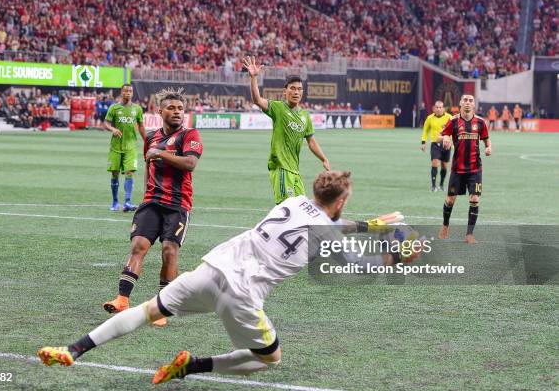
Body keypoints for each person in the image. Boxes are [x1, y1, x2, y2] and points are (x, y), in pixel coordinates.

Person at [37, 171, 418, 384]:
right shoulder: (330, 231)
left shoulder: (292, 201)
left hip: (212, 269)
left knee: (147, 311)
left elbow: (323, 222)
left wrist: (366, 225)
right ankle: (194, 365)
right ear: (340, 202)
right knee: (270, 358)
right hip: (243, 297)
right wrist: (394, 259)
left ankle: (73, 349)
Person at [102, 88, 203, 329]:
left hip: (178, 205)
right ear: (160, 111)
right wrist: (149, 189)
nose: (177, 112)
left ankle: (161, 309)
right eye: (171, 108)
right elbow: (150, 164)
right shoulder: (151, 136)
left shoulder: (190, 135)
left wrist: (161, 154)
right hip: (152, 202)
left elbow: (190, 164)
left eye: (180, 108)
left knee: (169, 250)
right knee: (138, 246)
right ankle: (122, 299)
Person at [242, 56, 330, 204]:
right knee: (286, 209)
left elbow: (311, 142)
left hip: (295, 171)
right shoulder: (278, 108)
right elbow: (257, 100)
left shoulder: (305, 116)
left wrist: (324, 159)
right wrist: (254, 78)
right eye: (293, 88)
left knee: (301, 209)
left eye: (299, 89)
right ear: (285, 91)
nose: (296, 92)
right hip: (281, 168)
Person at [438, 94, 492, 244]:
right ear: (460, 103)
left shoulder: (480, 122)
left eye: (471, 101)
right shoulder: (453, 121)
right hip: (457, 169)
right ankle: (445, 225)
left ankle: (469, 234)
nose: (468, 103)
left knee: (474, 199)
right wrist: (446, 137)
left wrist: (489, 148)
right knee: (450, 200)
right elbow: (438, 137)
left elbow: (487, 141)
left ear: (474, 105)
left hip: (475, 169)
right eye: (465, 100)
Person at [104, 84, 146, 212]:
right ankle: (115, 202)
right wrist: (112, 129)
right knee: (115, 174)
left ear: (132, 93)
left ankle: (127, 202)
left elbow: (141, 126)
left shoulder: (137, 109)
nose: (128, 93)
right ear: (121, 92)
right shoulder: (114, 107)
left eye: (130, 91)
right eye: (126, 91)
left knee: (129, 172)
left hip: (130, 146)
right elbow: (106, 123)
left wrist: (147, 141)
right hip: (116, 146)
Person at [421, 100, 452, 191]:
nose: (438, 109)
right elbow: (425, 130)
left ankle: (441, 185)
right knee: (435, 162)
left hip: (446, 144)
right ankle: (433, 185)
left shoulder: (449, 117)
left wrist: (453, 143)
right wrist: (423, 142)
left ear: (443, 109)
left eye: (440, 107)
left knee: (444, 165)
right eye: (437, 107)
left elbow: (454, 130)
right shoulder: (430, 118)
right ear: (434, 108)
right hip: (435, 144)